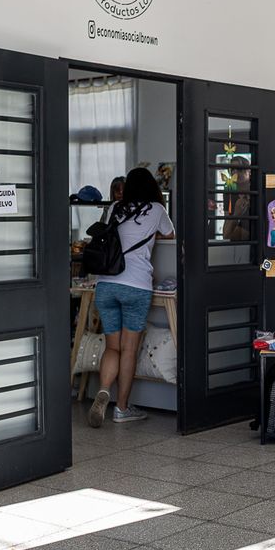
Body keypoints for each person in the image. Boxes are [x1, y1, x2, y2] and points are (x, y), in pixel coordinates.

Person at [88, 167, 174, 427]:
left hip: (105, 285)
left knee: (112, 346)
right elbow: (170, 234)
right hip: (136, 286)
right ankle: (122, 409)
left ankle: (103, 391)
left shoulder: (115, 207)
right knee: (129, 349)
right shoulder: (157, 210)